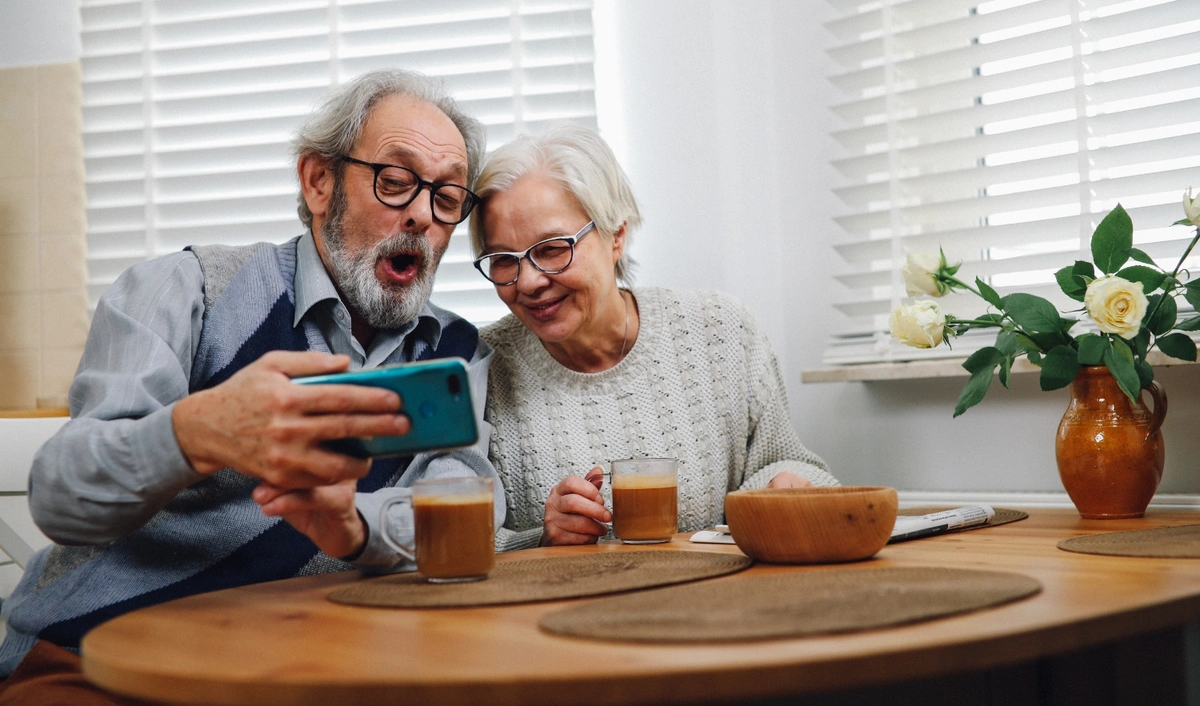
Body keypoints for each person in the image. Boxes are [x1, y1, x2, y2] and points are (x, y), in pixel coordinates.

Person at [0, 70, 505, 702]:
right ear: (319, 181)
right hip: (95, 661)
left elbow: (466, 516)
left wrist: (351, 527)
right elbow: (59, 498)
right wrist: (194, 434)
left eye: (448, 197)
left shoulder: (453, 357)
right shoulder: (184, 292)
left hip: (297, 671)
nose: (423, 216)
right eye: (395, 180)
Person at [468, 123, 837, 551]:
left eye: (552, 249)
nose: (528, 282)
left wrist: (785, 484)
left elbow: (787, 461)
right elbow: (455, 541)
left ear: (616, 235)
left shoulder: (721, 330)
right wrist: (540, 537)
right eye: (502, 260)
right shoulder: (481, 368)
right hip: (557, 613)